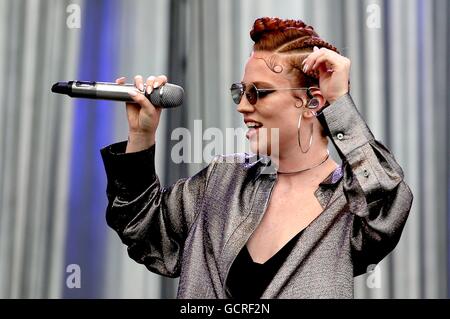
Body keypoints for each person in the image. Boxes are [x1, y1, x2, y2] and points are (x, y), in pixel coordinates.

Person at [101, 17, 413, 299]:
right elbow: (143, 228)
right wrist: (142, 135)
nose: (242, 106)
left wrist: (339, 104)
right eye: (240, 92)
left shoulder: (347, 202)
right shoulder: (223, 179)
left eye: (258, 93)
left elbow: (387, 203)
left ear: (312, 103)